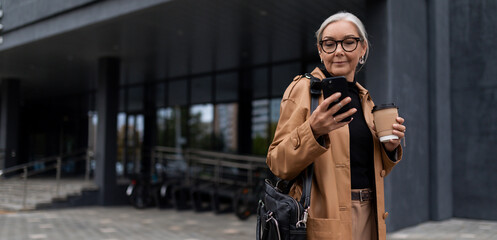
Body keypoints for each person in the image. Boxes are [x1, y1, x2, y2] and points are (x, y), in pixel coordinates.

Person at [266, 11, 406, 240]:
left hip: (371, 214)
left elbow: (363, 168)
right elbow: (277, 163)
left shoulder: (364, 98)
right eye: (329, 44)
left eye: (349, 42)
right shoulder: (304, 90)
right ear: (321, 51)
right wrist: (313, 130)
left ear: (363, 49)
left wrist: (389, 150)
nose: (339, 51)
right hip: (324, 221)